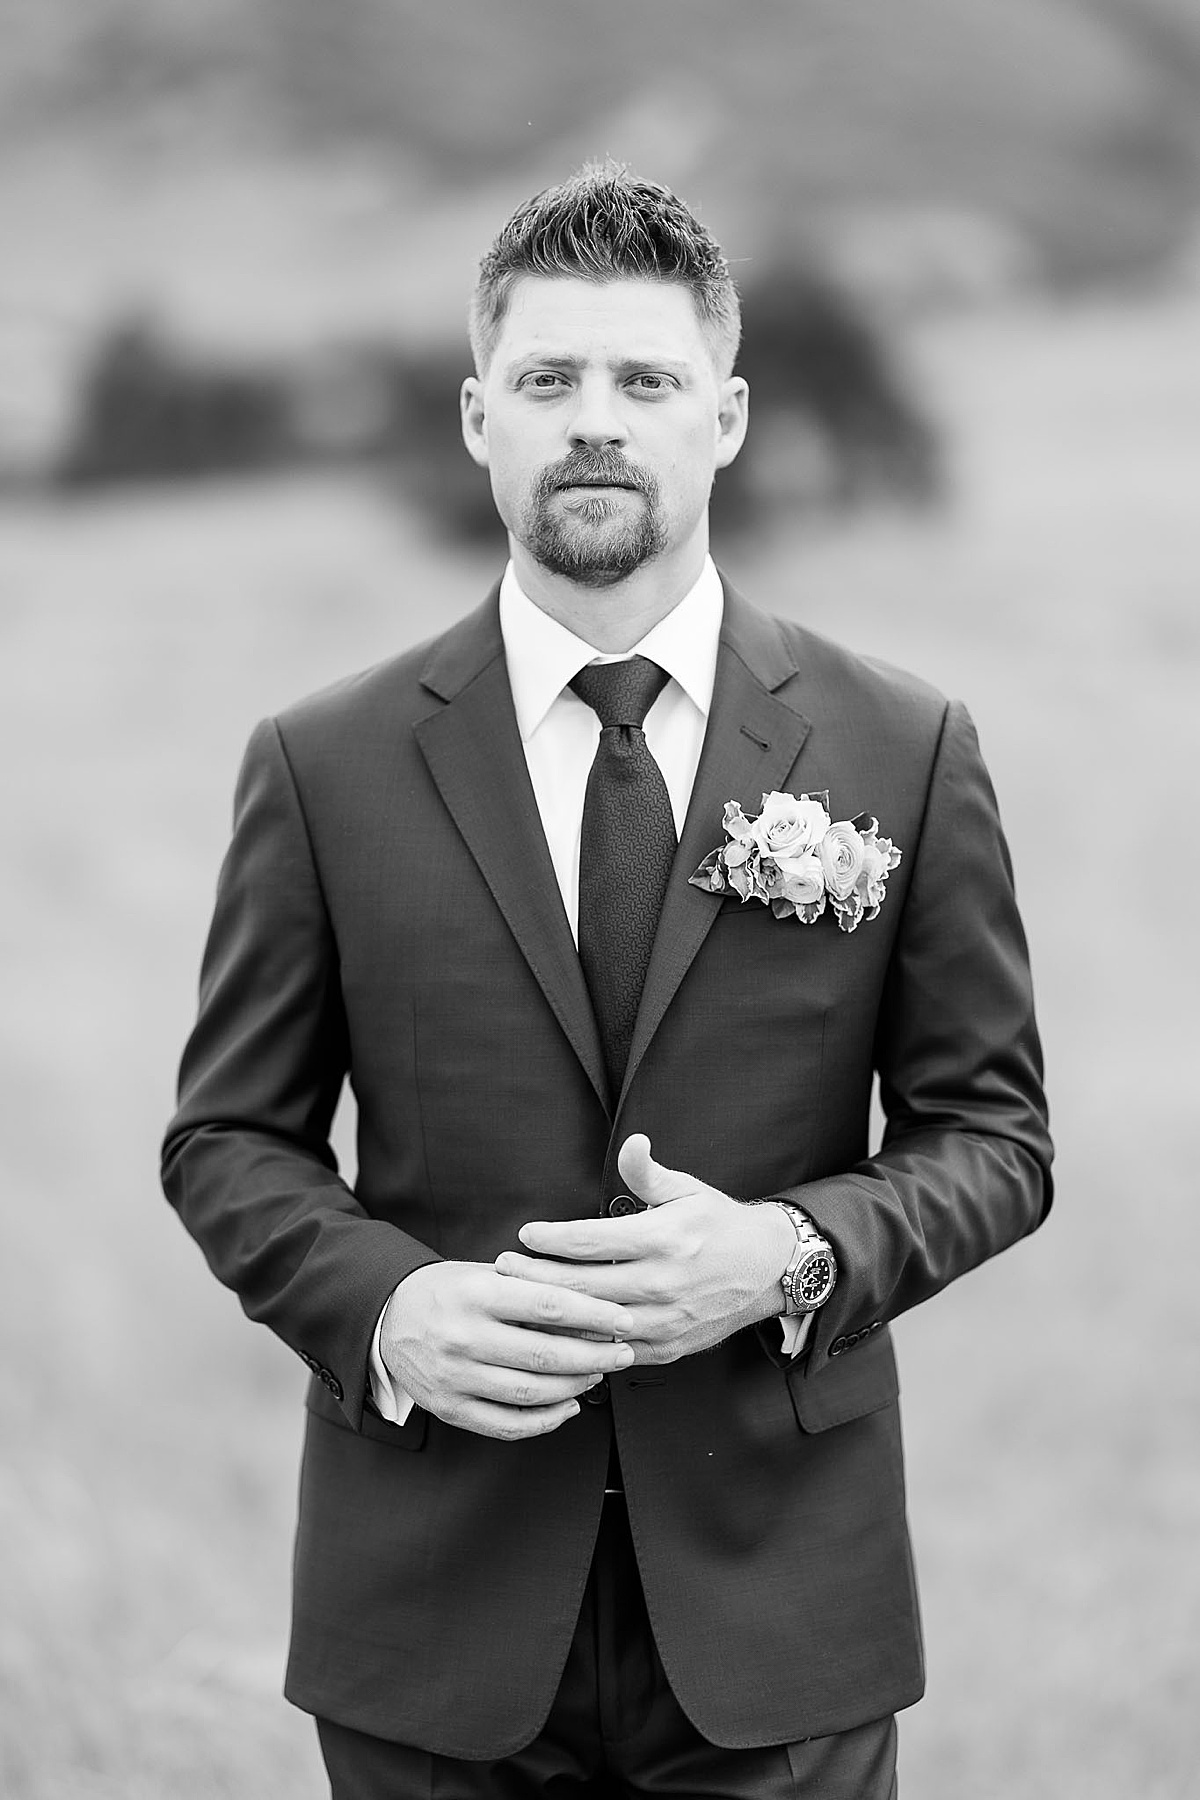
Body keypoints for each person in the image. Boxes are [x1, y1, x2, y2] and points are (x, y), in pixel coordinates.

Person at [162, 163, 1052, 1799]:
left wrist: (788, 1253)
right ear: (475, 415)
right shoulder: (321, 762)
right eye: (548, 380)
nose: (596, 422)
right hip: (430, 1609)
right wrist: (390, 1311)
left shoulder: (904, 748)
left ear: (724, 416)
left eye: (643, 381)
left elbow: (993, 1135)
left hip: (783, 1604)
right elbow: (227, 1138)